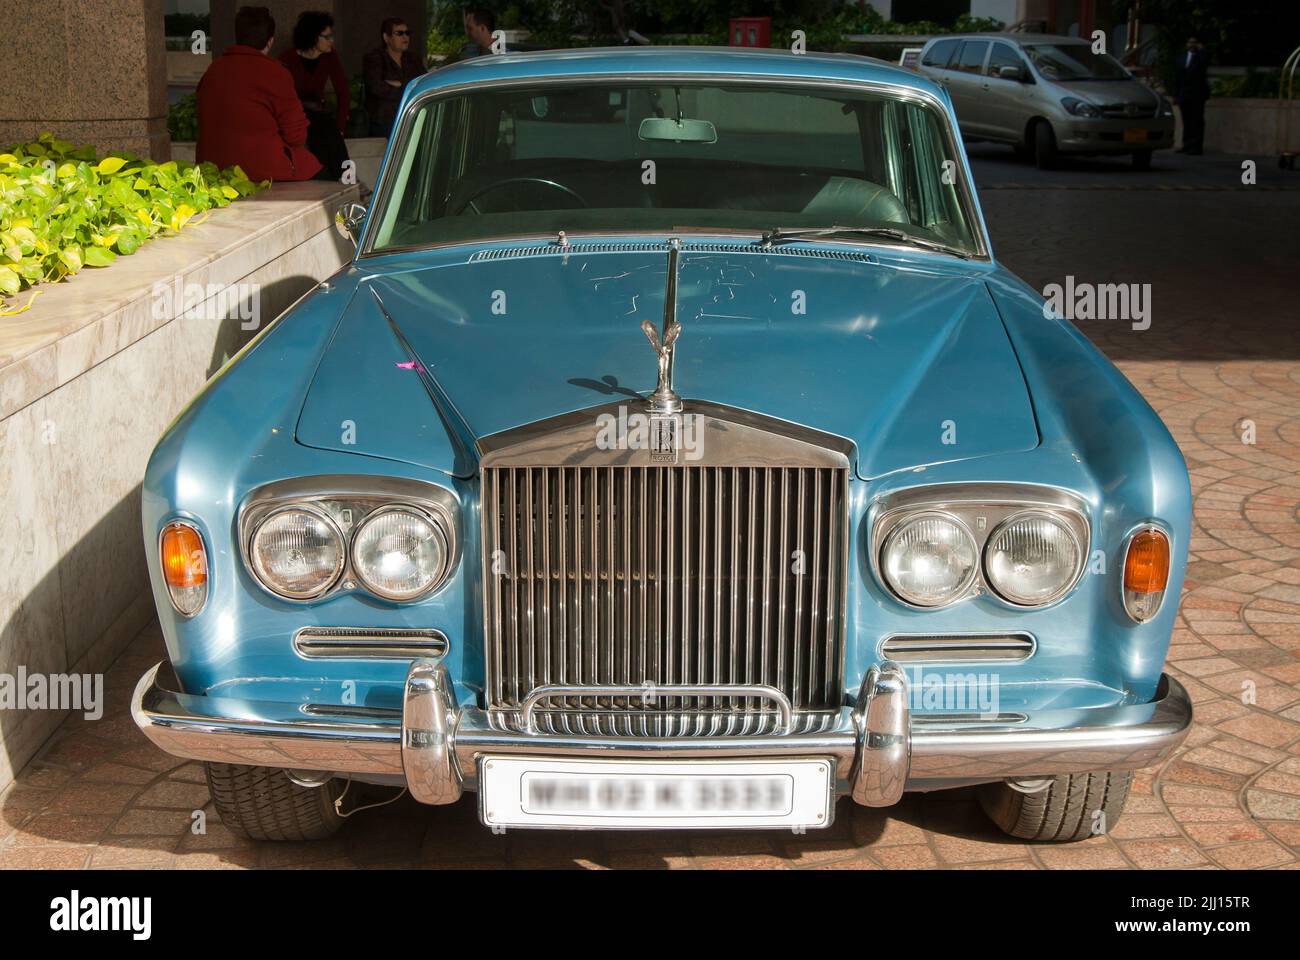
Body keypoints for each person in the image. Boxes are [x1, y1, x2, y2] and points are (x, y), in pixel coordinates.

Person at [195, 6, 321, 182]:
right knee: (322, 169)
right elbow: (297, 136)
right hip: (259, 169)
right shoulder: (274, 72)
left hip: (212, 168)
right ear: (270, 41)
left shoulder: (213, 70)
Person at [278, 11, 350, 179]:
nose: (332, 40)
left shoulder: (330, 56)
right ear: (312, 37)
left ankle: (344, 177)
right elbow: (281, 96)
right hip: (295, 114)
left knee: (328, 128)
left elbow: (343, 92)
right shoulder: (287, 58)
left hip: (318, 113)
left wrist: (340, 127)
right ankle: (341, 178)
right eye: (327, 36)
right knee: (320, 130)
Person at [363, 18, 427, 137]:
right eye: (399, 33)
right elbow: (377, 87)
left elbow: (423, 82)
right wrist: (409, 88)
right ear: (386, 38)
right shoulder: (375, 59)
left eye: (407, 33)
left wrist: (401, 83)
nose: (405, 37)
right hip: (385, 121)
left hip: (411, 116)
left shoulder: (413, 59)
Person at [1175, 36, 1210, 156]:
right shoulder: (1182, 57)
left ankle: (1196, 147)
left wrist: (1202, 50)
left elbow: (1204, 65)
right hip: (1184, 94)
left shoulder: (1201, 57)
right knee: (1186, 120)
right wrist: (1177, 95)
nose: (1192, 45)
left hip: (1197, 94)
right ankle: (1186, 144)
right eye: (1190, 42)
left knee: (1197, 121)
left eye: (1194, 42)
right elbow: (1178, 77)